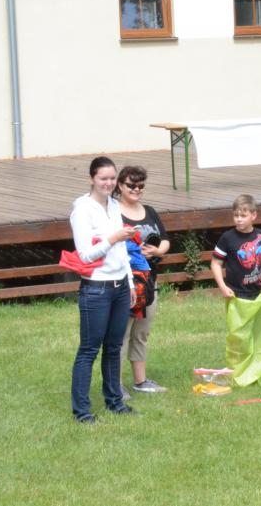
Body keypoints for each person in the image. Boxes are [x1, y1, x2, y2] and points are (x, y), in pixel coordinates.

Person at [69, 156, 137, 423]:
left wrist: (129, 282)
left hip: (120, 286)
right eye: (103, 178)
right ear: (92, 179)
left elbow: (122, 251)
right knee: (89, 349)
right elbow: (85, 254)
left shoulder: (114, 205)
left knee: (114, 346)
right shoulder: (82, 210)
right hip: (96, 288)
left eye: (112, 178)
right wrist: (112, 238)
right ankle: (82, 411)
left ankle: (115, 401)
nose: (108, 183)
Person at [211, 194, 261, 386]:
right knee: (239, 337)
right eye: (236, 215)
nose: (239, 220)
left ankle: (260, 370)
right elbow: (216, 263)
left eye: (243, 216)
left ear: (254, 215)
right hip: (236, 295)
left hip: (259, 294)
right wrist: (223, 286)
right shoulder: (227, 238)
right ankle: (239, 372)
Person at [114, 165, 170, 400]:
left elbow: (165, 240)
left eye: (140, 185)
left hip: (149, 283)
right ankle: (115, 385)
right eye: (131, 185)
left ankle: (140, 381)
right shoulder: (112, 211)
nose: (136, 189)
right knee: (121, 335)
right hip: (126, 283)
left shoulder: (149, 211)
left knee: (141, 333)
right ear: (120, 185)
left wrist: (157, 251)